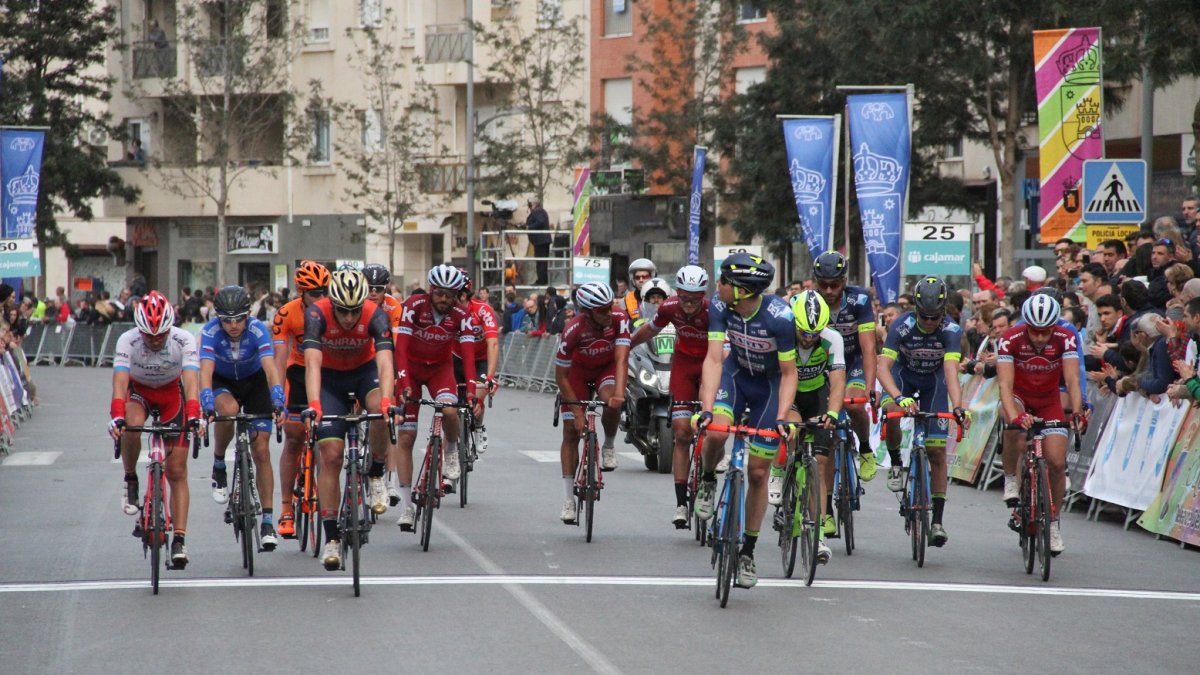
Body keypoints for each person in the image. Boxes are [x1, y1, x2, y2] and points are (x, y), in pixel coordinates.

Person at [694, 253, 797, 589]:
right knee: (717, 433)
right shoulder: (719, 307)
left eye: (723, 280)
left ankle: (748, 551)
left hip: (768, 389)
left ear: (740, 289)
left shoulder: (780, 317)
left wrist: (782, 417)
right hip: (736, 378)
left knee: (757, 472)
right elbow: (713, 359)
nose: (718, 285)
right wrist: (707, 409)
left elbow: (788, 373)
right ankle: (708, 480)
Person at [302, 268, 401, 570]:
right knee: (330, 455)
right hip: (330, 380)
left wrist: (386, 400)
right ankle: (331, 537)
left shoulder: (375, 315)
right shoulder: (317, 315)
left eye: (354, 311)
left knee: (381, 412)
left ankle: (376, 471)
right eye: (343, 312)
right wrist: (315, 404)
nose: (348, 318)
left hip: (364, 373)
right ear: (332, 304)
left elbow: (385, 364)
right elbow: (312, 364)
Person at [109, 292, 203, 568]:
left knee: (177, 472)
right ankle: (130, 478)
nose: (155, 340)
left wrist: (195, 414)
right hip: (139, 392)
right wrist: (116, 416)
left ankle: (179, 541)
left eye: (160, 334)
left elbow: (191, 381)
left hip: (172, 393)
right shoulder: (128, 340)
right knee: (132, 425)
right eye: (149, 336)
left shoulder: (182, 339)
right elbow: (119, 381)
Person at [877, 277, 968, 548]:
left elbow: (951, 372)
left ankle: (937, 522)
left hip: (934, 382)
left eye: (935, 317)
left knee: (937, 451)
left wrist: (959, 406)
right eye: (925, 317)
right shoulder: (900, 325)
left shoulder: (951, 330)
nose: (930, 322)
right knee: (892, 412)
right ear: (916, 309)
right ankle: (895, 461)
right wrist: (898, 396)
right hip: (902, 376)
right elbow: (883, 368)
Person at [199, 286, 286, 550]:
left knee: (261, 451)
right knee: (228, 411)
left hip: (254, 381)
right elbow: (205, 372)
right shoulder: (210, 332)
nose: (234, 325)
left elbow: (271, 368)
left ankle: (268, 521)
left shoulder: (258, 329)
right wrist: (205, 399)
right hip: (223, 381)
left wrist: (278, 396)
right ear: (218, 318)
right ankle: (219, 463)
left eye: (239, 319)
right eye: (227, 319)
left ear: (248, 314)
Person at [996, 294, 1083, 555]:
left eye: (1046, 332)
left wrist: (1077, 411)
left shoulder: (1065, 338)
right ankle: (1012, 477)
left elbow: (1073, 381)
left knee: (1056, 462)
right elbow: (1005, 385)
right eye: (1034, 331)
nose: (1040, 338)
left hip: (1048, 400)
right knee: (1012, 426)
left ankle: (1053, 523)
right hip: (1019, 396)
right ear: (1026, 325)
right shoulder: (1010, 338)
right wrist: (1016, 416)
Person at [392, 265, 478, 530]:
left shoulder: (461, 315)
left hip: (440, 371)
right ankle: (407, 507)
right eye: (440, 294)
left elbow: (469, 354)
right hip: (412, 371)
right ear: (431, 291)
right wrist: (404, 383)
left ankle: (452, 451)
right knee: (406, 436)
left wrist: (473, 390)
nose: (444, 300)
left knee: (450, 410)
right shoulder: (414, 306)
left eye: (449, 295)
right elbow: (401, 349)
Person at [629, 265, 710, 528]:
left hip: (710, 366)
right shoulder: (669, 308)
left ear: (703, 295)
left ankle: (708, 476)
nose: (688, 304)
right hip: (684, 367)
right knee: (682, 431)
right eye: (684, 297)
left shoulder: (714, 312)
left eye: (694, 299)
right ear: (677, 293)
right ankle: (681, 504)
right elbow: (649, 331)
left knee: (715, 429)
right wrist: (625, 345)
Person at [768, 290, 844, 566]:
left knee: (821, 463)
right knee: (791, 428)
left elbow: (837, 380)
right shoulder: (783, 332)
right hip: (788, 394)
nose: (809, 337)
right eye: (804, 332)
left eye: (815, 333)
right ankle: (778, 469)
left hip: (816, 396)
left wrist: (833, 412)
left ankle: (819, 535)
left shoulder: (832, 339)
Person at [555, 282, 630, 523]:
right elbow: (561, 376)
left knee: (612, 401)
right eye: (602, 311)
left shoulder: (619, 319)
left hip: (606, 368)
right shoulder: (572, 330)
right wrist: (577, 413)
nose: (609, 313)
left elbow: (621, 360)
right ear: (587, 313)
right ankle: (568, 499)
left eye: (610, 307)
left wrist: (619, 393)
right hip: (575, 374)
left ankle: (608, 444)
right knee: (570, 432)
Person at [270, 260, 331, 539]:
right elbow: (280, 362)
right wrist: (278, 399)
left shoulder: (334, 309)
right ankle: (285, 507)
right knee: (294, 437)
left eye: (324, 292)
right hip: (297, 370)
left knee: (326, 437)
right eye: (314, 293)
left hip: (328, 371)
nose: (321, 298)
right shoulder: (286, 314)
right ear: (301, 293)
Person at [811, 251, 879, 483]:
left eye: (835, 285)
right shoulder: (810, 302)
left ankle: (866, 448)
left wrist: (870, 388)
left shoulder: (859, 300)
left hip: (853, 362)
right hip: (824, 365)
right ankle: (827, 509)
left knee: (854, 405)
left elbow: (869, 347)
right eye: (823, 285)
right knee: (827, 436)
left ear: (844, 282)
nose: (829, 291)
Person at [363, 263, 405, 504]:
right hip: (360, 360)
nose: (373, 293)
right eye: (369, 288)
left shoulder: (393, 306)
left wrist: (396, 375)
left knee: (388, 419)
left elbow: (396, 344)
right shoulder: (355, 304)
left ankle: (389, 481)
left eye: (379, 289)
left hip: (383, 360)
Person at [455, 269, 501, 444]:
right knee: (450, 407)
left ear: (465, 294)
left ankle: (479, 426)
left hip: (480, 360)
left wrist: (490, 377)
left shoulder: (482, 310)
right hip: (456, 359)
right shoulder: (447, 311)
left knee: (477, 401)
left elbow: (493, 343)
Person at [526, 197, 551, 285]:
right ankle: (541, 280)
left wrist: (529, 227)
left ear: (534, 204)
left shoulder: (539, 212)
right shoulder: (536, 212)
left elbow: (540, 221)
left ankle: (542, 281)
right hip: (539, 241)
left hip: (541, 241)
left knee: (541, 262)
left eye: (530, 204)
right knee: (540, 261)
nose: (529, 206)